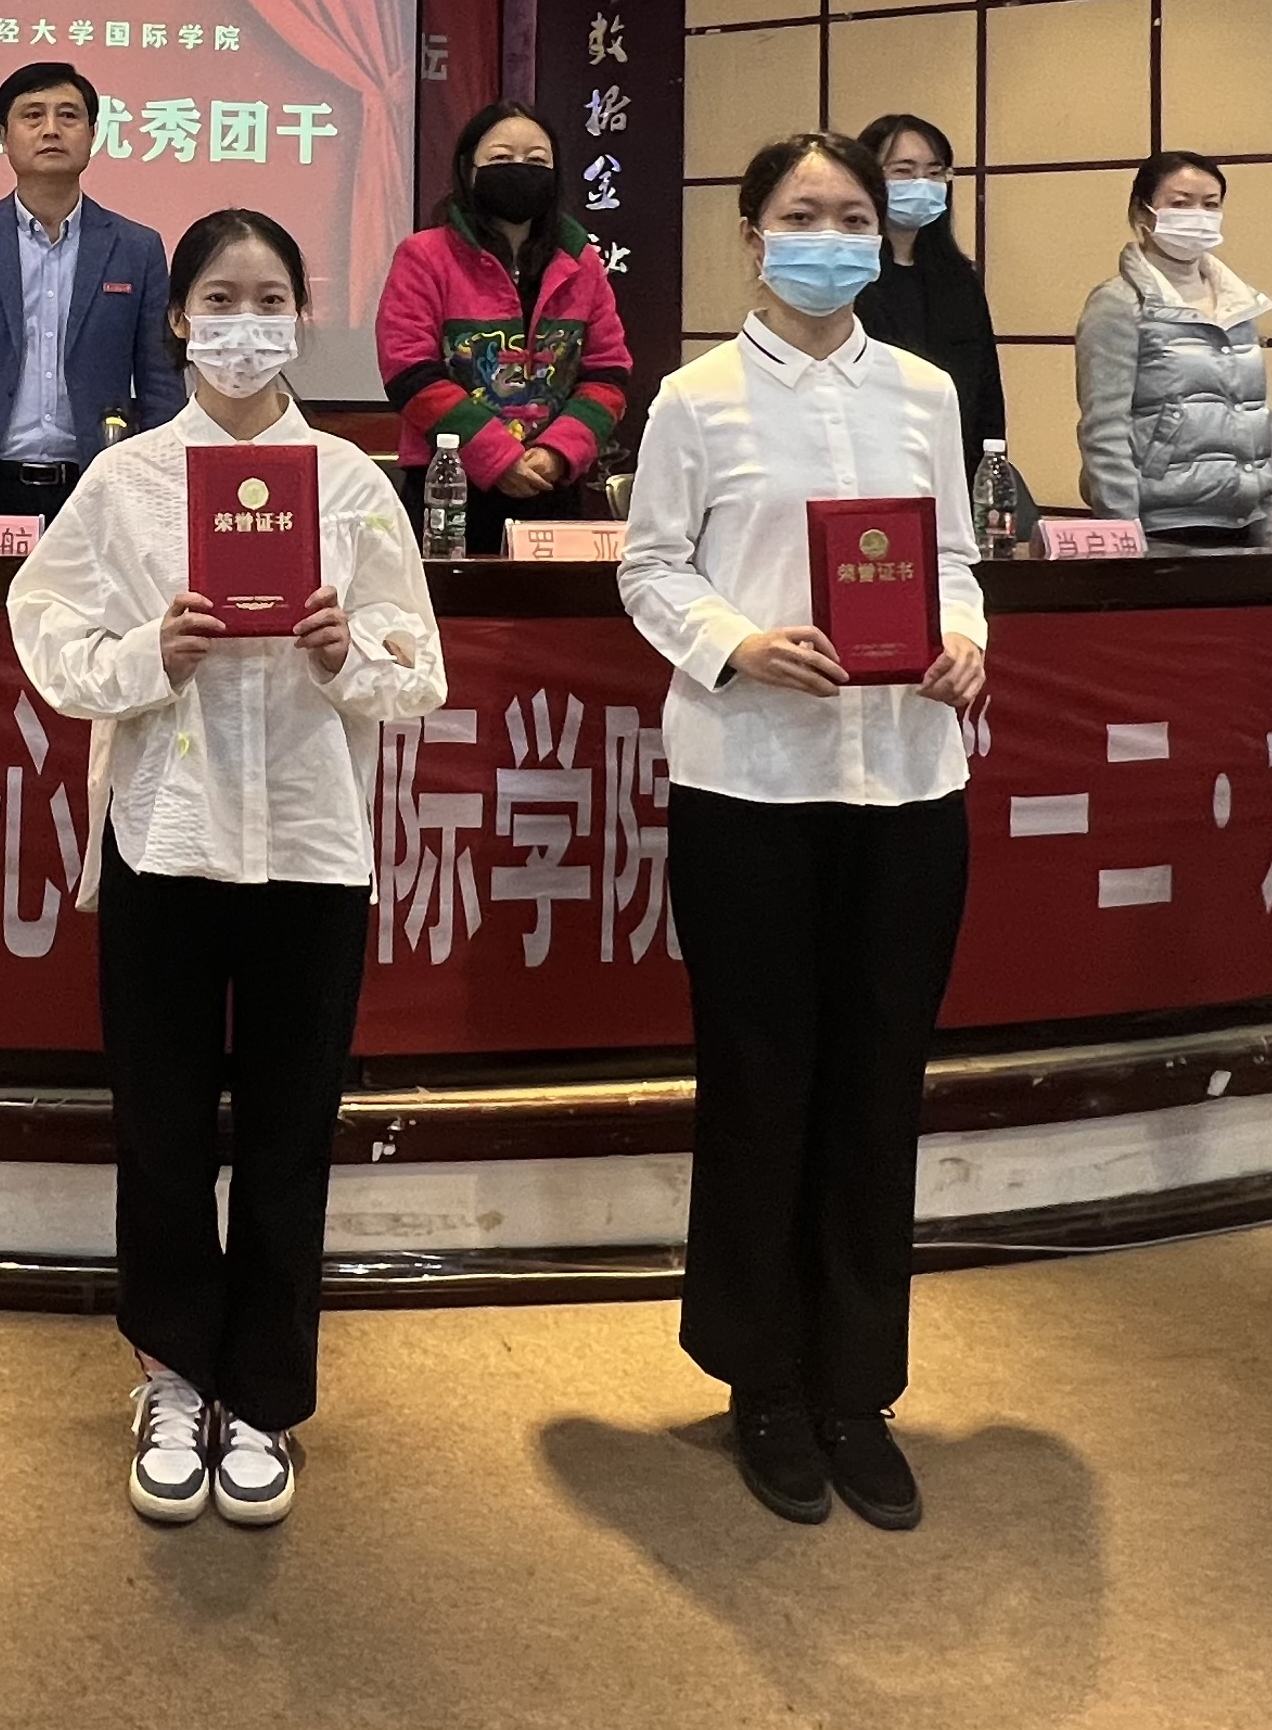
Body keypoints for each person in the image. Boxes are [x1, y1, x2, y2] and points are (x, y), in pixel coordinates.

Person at [9, 208, 445, 1529]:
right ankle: (172, 1373)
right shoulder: (126, 480)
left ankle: (263, 1393)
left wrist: (345, 654)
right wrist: (150, 653)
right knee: (159, 1125)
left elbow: (418, 669)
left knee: (287, 1130)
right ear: (178, 321)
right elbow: (45, 630)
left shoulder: (349, 481)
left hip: (309, 844)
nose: (244, 323)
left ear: (299, 320)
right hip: (169, 836)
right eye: (219, 298)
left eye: (269, 299)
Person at [617, 130, 989, 1532]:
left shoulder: (923, 391)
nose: (827, 238)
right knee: (761, 1079)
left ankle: (857, 1386)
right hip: (752, 786)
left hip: (906, 783)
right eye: (800, 214)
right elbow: (650, 567)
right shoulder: (695, 398)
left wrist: (965, 637)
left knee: (880, 1082)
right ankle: (761, 1380)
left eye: (850, 217)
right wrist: (736, 644)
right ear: (750, 235)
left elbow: (952, 556)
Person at [0, 60, 182, 522]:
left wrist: (161, 506)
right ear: (4, 137)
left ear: (92, 134)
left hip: (97, 489)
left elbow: (161, 389)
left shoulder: (136, 248)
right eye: (32, 115)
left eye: (68, 115)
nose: (51, 129)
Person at [373, 103, 633, 550]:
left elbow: (608, 375)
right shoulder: (424, 256)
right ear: (468, 169)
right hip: (449, 486)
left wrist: (557, 452)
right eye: (500, 158)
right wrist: (496, 455)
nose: (520, 168)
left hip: (551, 483)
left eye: (537, 160)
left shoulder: (581, 261)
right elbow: (409, 371)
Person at [1072, 150, 1272, 541]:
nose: (1198, 215)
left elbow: (1255, 416)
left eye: (1210, 205)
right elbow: (1104, 428)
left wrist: (1265, 521)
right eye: (1181, 204)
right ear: (1143, 211)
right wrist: (1122, 531)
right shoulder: (1118, 303)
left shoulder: (1239, 304)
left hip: (1241, 518)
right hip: (1162, 526)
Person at [850, 112, 1004, 484]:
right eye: (903, 171)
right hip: (872, 470)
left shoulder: (959, 278)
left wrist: (989, 476)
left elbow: (987, 392)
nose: (922, 184)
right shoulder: (851, 275)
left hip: (955, 470)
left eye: (935, 172)